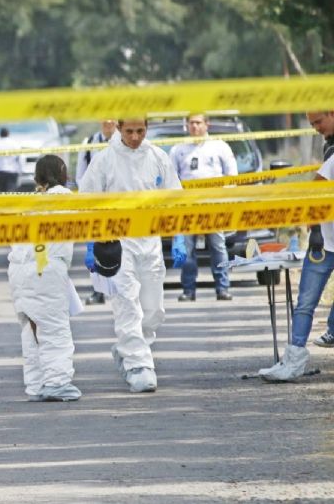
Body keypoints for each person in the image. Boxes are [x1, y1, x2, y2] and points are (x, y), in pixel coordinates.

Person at [79, 118, 185, 393]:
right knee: (127, 304)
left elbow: (175, 199)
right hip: (118, 242)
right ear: (118, 129)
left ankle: (130, 350)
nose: (135, 137)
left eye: (141, 131)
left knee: (154, 309)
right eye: (129, 131)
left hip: (150, 242)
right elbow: (87, 201)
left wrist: (180, 237)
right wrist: (92, 242)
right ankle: (139, 365)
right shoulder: (104, 160)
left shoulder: (158, 157)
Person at [258, 115, 334, 379]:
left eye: (317, 122)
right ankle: (294, 359)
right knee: (305, 303)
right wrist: (314, 229)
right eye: (312, 123)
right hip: (325, 244)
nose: (315, 128)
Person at [8, 155, 83, 402]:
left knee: (32, 331)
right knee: (55, 329)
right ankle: (57, 382)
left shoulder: (26, 203)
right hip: (46, 269)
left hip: (19, 271)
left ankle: (36, 384)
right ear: (62, 172)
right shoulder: (63, 196)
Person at [169, 114, 238, 302]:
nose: (194, 126)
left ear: (207, 124)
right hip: (188, 208)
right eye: (191, 123)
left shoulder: (220, 146)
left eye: (198, 122)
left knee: (218, 247)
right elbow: (171, 179)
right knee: (187, 250)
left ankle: (222, 288)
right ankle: (188, 290)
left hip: (213, 206)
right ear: (186, 125)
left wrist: (225, 199)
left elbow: (232, 175)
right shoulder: (178, 149)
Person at [76, 120, 116, 305]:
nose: (109, 122)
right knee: (95, 249)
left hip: (118, 204)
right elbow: (80, 175)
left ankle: (118, 288)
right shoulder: (90, 142)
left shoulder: (122, 143)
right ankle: (98, 291)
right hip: (95, 204)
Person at [0, 127, 23, 192]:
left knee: (2, 193)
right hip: (13, 171)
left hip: (0, 172)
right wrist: (20, 171)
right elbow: (20, 159)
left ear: (0, 135)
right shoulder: (15, 144)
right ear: (8, 134)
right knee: (11, 192)